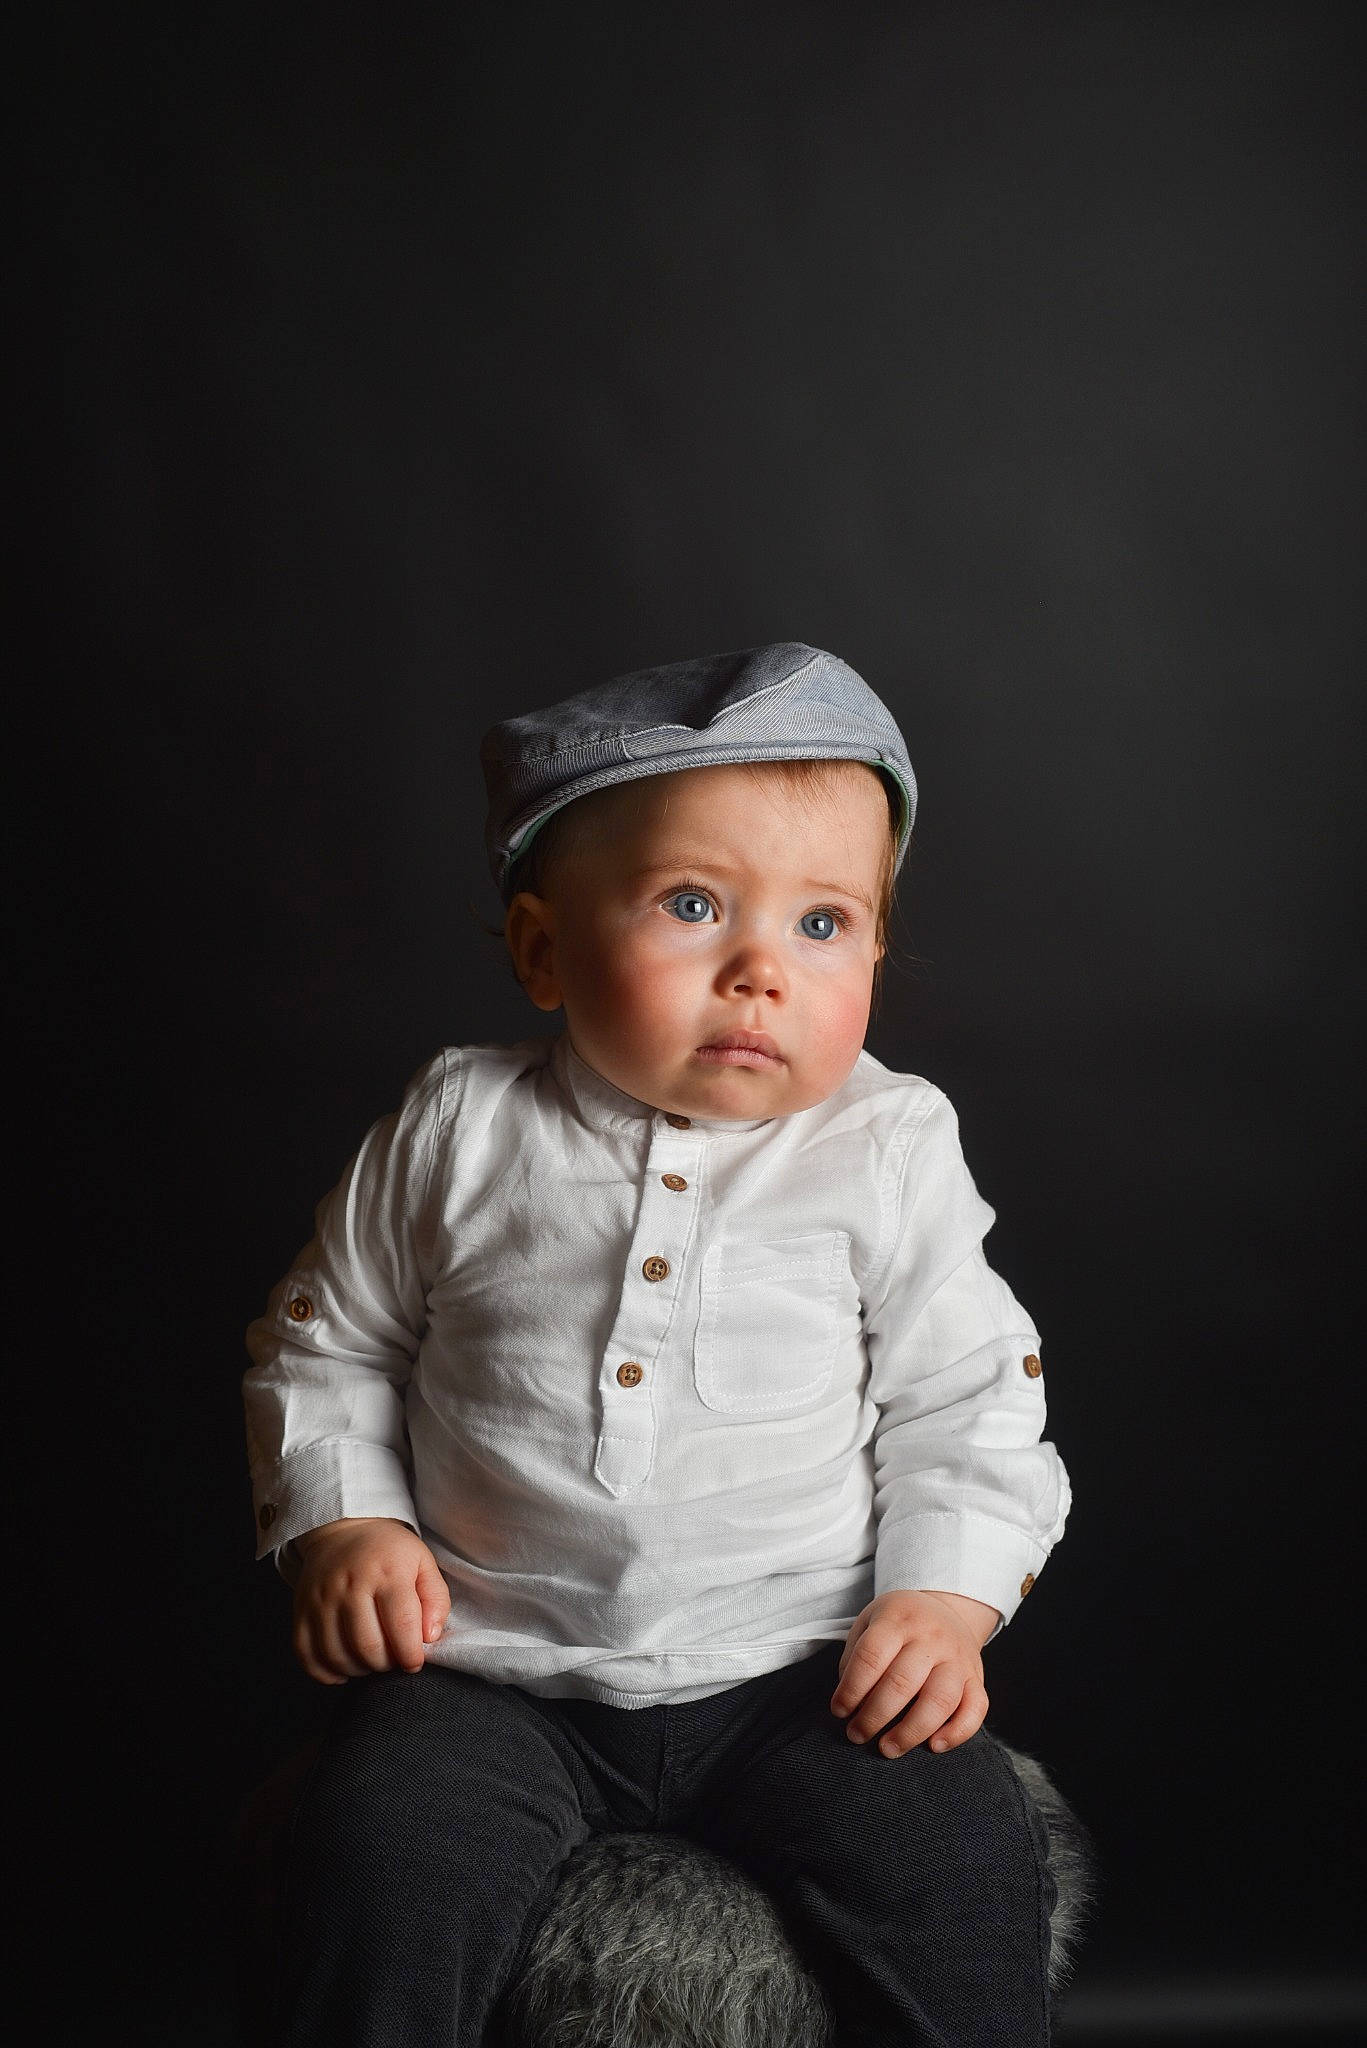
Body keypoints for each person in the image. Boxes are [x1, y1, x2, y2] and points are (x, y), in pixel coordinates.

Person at [243, 641, 1072, 2046]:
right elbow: (327, 1349)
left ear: (877, 944)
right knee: (383, 1863)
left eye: (825, 925)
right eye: (694, 906)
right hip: (498, 1675)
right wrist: (347, 1526)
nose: (762, 971)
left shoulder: (886, 1147)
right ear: (543, 950)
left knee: (957, 1860)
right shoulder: (462, 1129)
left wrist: (946, 1602)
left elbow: (971, 1399)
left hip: (799, 1675)